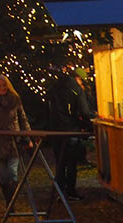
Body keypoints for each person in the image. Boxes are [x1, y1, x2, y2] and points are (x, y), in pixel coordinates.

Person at [0, 75, 31, 204]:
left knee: (12, 172)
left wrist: (27, 136)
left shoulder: (15, 99)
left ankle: (12, 202)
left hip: (13, 140)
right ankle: (8, 200)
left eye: (4, 86)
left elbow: (22, 118)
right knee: (3, 175)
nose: (2, 88)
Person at [48, 67, 94, 201]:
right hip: (71, 129)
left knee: (60, 161)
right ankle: (70, 191)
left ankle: (59, 191)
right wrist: (87, 125)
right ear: (78, 79)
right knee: (71, 161)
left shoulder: (55, 87)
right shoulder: (76, 90)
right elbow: (84, 112)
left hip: (55, 130)